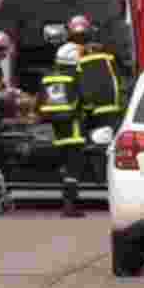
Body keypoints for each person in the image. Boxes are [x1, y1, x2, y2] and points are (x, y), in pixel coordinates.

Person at [40, 42, 86, 218]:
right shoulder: (76, 76)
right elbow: (85, 98)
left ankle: (69, 202)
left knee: (66, 166)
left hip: (57, 128)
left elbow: (41, 102)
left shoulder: (48, 76)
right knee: (74, 168)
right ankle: (70, 206)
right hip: (74, 128)